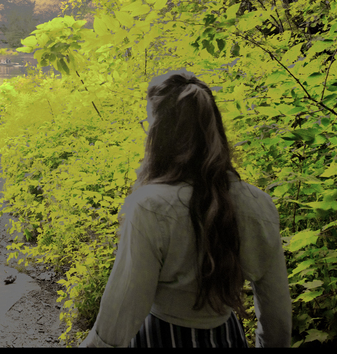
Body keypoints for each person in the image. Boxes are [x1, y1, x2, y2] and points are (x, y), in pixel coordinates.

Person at [80, 70, 291, 348]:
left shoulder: (150, 206)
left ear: (159, 134)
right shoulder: (258, 203)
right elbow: (277, 313)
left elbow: (121, 314)